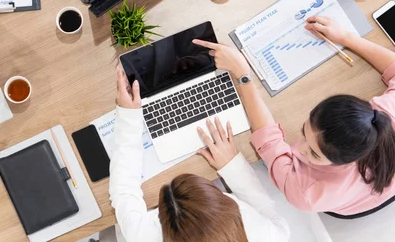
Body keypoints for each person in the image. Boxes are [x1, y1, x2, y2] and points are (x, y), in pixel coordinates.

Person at [192, 15, 395, 218]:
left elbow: (270, 141)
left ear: (348, 161)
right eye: (304, 131)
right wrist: (345, 37)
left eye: (314, 153)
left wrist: (243, 74)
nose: (296, 149)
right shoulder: (383, 117)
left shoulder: (305, 193)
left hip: (362, 200)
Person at [109, 67, 290, 241]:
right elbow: (272, 216)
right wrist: (232, 166)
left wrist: (129, 116)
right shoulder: (266, 234)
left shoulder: (143, 234)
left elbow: (124, 191)